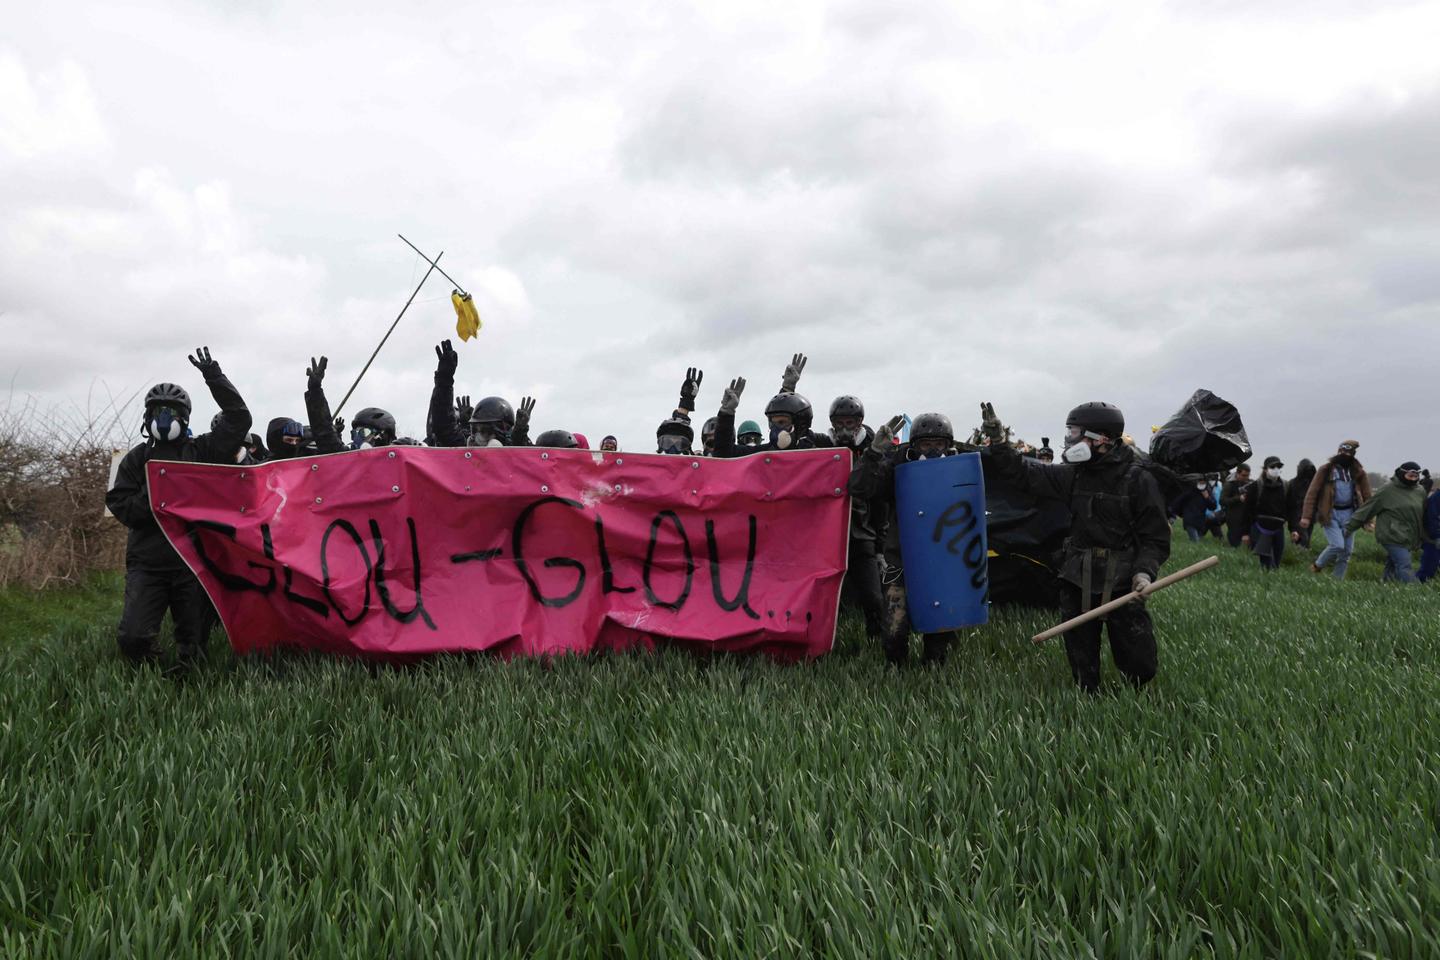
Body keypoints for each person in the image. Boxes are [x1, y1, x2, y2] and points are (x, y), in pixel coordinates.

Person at [980, 400, 1171, 693]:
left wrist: (1144, 572)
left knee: (1140, 665)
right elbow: (1023, 473)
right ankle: (1089, 696)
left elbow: (1155, 538)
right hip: (1077, 577)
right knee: (1082, 663)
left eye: (1075, 432)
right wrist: (998, 441)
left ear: (1100, 439)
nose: (1069, 439)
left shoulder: (1138, 480)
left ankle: (1132, 698)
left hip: (1122, 581)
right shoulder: (1073, 474)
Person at [106, 347, 252, 668]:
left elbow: (240, 418)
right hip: (147, 565)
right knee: (132, 637)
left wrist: (214, 377)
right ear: (147, 417)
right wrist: (158, 497)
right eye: (158, 411)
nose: (164, 418)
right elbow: (119, 503)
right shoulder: (135, 459)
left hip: (192, 563)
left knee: (193, 646)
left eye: (171, 411)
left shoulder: (202, 450)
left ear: (184, 417)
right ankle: (151, 674)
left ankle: (186, 683)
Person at [849, 412, 976, 665]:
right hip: (901, 559)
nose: (932, 450)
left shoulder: (960, 468)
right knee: (894, 631)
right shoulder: (897, 467)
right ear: (915, 446)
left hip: (944, 560)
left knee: (939, 636)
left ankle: (933, 673)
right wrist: (874, 453)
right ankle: (897, 671)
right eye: (926, 444)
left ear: (948, 445)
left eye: (939, 444)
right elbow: (859, 487)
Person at [824, 395, 887, 653]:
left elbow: (880, 504)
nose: (844, 428)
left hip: (861, 535)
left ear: (860, 422)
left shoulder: (874, 450)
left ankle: (877, 645)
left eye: (850, 422)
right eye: (839, 422)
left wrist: (880, 548)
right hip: (828, 537)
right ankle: (826, 646)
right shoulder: (820, 447)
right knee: (826, 600)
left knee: (873, 597)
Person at [712, 354, 832, 457]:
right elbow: (724, 454)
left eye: (781, 422)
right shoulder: (765, 454)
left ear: (799, 425)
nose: (776, 429)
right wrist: (726, 413)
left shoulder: (817, 447)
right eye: (772, 424)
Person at [425, 341, 534, 447]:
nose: (476, 436)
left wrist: (519, 432)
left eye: (484, 431)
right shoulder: (464, 450)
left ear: (503, 430)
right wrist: (444, 380)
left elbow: (522, 452)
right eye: (474, 430)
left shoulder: (514, 452)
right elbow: (443, 427)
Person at [1343, 462, 1426, 583]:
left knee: (1392, 564)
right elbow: (1367, 510)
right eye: (1410, 475)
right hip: (1391, 535)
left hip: (1409, 536)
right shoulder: (1387, 490)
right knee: (1404, 564)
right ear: (1401, 473)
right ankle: (1415, 591)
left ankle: (1385, 584)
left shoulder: (1420, 491)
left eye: (1416, 476)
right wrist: (1349, 528)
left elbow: (1424, 512)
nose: (1413, 479)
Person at [1301, 440, 1372, 579]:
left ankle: (1336, 580)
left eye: (1348, 452)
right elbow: (1312, 493)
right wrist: (1306, 516)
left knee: (1346, 552)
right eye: (1342, 451)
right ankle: (1317, 565)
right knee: (1337, 545)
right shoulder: (1325, 470)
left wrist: (1368, 520)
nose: (1345, 454)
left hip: (1350, 514)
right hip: (1330, 513)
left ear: (1353, 454)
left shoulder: (1358, 472)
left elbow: (1367, 496)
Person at [1240, 456, 1289, 571]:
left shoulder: (1285, 486)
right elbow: (1247, 511)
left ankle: (1272, 580)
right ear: (1265, 469)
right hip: (1260, 528)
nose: (1276, 469)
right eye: (1272, 467)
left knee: (1276, 562)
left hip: (1278, 528)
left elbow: (1290, 508)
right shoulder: (1255, 486)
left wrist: (1294, 529)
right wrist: (1245, 533)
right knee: (1267, 562)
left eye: (1278, 467)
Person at [1170, 478, 1218, 542]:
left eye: (1203, 482)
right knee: (1195, 541)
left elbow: (1213, 506)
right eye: (1200, 481)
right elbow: (1177, 502)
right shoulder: (1189, 491)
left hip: (1200, 521)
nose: (1201, 484)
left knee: (1197, 542)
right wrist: (1175, 514)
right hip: (1189, 520)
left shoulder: (1207, 491)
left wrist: (1207, 498)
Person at [1286, 458, 1316, 548]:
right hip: (1296, 516)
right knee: (1303, 539)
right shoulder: (1293, 483)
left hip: (1309, 516)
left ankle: (1299, 553)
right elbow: (1289, 502)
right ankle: (1299, 552)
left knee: (1305, 539)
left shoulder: (1313, 484)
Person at [1220, 464, 1252, 548]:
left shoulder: (1250, 483)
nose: (1246, 477)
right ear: (1237, 473)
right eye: (1244, 475)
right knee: (1235, 544)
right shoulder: (1229, 484)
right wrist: (1238, 498)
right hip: (1233, 519)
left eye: (1248, 475)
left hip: (1247, 519)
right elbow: (1222, 501)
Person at [1419, 476, 1440, 583]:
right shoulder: (1436, 498)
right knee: (1429, 566)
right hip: (1433, 538)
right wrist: (1436, 535)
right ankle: (1418, 584)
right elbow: (1432, 518)